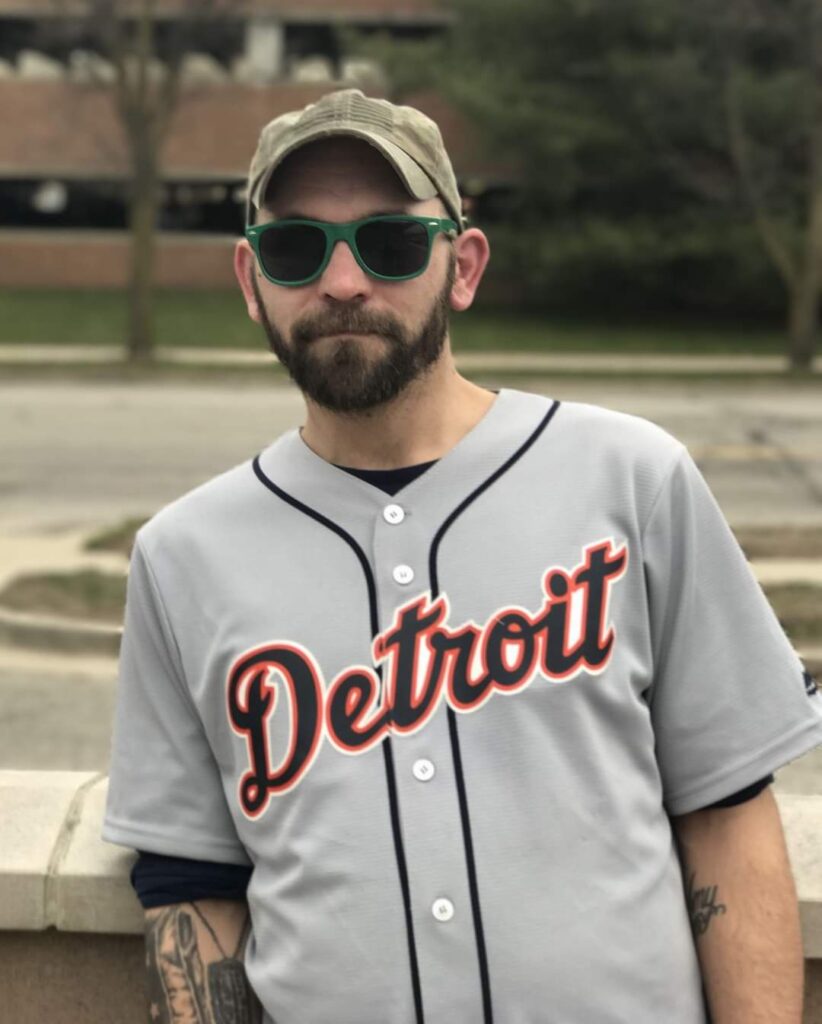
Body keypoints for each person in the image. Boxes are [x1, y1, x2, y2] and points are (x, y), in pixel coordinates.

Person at [103, 89, 822, 1024]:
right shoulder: (181, 557)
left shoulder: (633, 478)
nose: (345, 281)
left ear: (464, 265)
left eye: (391, 242)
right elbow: (189, 887)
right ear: (251, 281)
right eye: (296, 248)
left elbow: (726, 813)